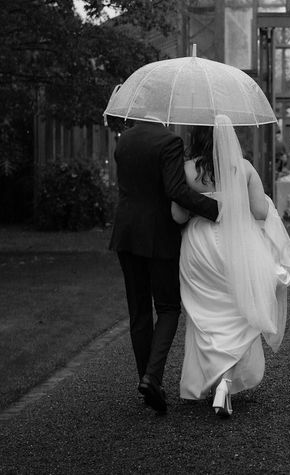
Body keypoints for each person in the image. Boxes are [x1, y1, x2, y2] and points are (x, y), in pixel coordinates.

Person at [171, 115, 290, 418]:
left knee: (207, 312)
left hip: (200, 247)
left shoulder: (188, 170)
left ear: (197, 136)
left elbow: (178, 216)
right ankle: (225, 383)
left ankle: (216, 378)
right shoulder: (243, 168)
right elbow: (258, 210)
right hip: (237, 246)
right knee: (238, 308)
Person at [109, 118, 220, 414]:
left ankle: (147, 382)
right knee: (169, 307)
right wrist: (217, 209)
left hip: (126, 233)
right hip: (158, 236)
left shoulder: (124, 139)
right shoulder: (169, 142)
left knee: (139, 310)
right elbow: (175, 190)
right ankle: (152, 377)